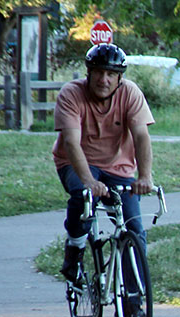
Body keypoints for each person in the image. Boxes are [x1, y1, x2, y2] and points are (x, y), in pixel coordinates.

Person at [53, 44, 155, 282]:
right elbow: (71, 142)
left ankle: (134, 300)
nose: (104, 79)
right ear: (89, 73)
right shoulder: (71, 94)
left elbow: (141, 136)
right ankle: (75, 249)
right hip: (77, 163)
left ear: (120, 77)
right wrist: (89, 180)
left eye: (111, 74)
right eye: (98, 72)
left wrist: (145, 176)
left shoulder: (130, 93)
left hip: (119, 167)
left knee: (134, 230)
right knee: (83, 195)